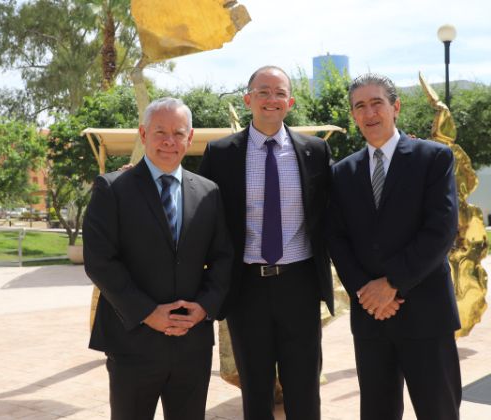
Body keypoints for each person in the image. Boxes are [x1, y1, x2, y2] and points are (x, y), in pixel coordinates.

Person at [83, 97, 233, 420]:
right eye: (159, 132)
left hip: (192, 346)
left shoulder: (209, 192)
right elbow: (99, 261)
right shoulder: (111, 189)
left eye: (178, 133)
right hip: (133, 343)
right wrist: (148, 313)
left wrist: (204, 307)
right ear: (143, 133)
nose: (169, 141)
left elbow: (223, 257)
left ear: (190, 138)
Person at [198, 65, 334, 420]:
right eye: (263, 92)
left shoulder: (316, 151)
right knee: (255, 391)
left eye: (278, 93)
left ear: (289, 101)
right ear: (248, 99)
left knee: (304, 388)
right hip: (246, 290)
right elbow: (203, 215)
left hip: (300, 285)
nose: (271, 99)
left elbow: (333, 216)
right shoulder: (221, 153)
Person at [327, 73, 462, 420]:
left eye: (377, 103)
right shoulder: (341, 173)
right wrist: (366, 292)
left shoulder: (433, 159)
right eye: (360, 106)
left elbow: (440, 231)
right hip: (372, 317)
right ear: (354, 115)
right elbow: (337, 239)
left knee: (439, 411)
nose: (369, 113)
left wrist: (391, 285)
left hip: (426, 313)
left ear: (395, 107)